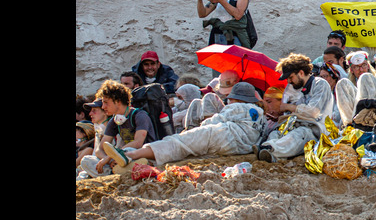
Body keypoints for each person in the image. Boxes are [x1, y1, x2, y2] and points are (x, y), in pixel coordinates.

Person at [103, 82, 266, 169]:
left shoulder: (237, 107)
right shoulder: (260, 115)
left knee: (178, 143)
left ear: (236, 98)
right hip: (239, 148)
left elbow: (217, 121)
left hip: (220, 135)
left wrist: (200, 127)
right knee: (190, 153)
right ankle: (142, 160)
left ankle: (130, 155)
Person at [257, 53, 335, 163]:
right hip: (293, 125)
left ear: (301, 73)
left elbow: (313, 112)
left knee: (299, 134)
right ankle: (269, 152)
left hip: (314, 129)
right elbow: (285, 112)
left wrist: (289, 107)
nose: (289, 81)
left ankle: (271, 149)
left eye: (291, 77)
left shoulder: (320, 84)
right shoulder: (292, 88)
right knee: (275, 134)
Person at [85, 80, 159, 176]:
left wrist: (112, 156)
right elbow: (100, 149)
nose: (103, 107)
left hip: (139, 154)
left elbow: (138, 143)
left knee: (129, 151)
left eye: (106, 103)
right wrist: (107, 160)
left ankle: (120, 171)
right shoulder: (114, 120)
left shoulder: (139, 115)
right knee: (86, 161)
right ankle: (114, 172)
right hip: (121, 157)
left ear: (118, 101)